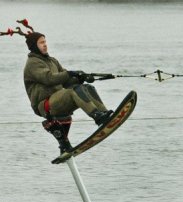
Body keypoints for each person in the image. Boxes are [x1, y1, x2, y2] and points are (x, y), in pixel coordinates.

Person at [18, 22, 113, 154]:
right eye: (41, 42)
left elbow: (66, 81)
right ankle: (97, 116)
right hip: (44, 105)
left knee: (86, 87)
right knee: (74, 91)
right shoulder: (33, 63)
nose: (45, 44)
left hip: (58, 100)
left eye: (45, 41)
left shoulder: (52, 61)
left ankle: (104, 114)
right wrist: (70, 73)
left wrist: (80, 77)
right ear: (34, 46)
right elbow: (49, 78)